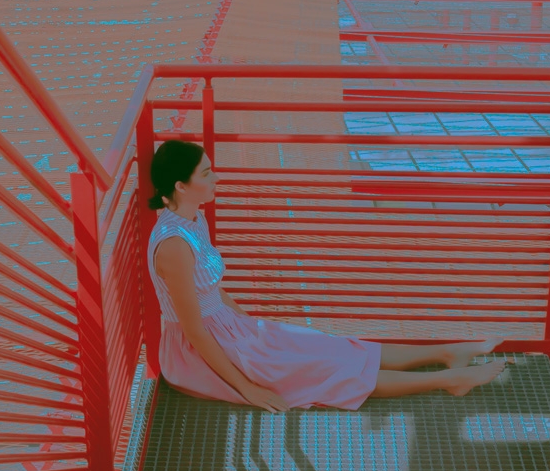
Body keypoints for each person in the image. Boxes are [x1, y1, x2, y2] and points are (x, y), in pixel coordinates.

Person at [146, 139, 511, 414]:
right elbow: (194, 330)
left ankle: (446, 352)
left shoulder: (194, 218)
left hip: (229, 328)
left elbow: (211, 288)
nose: (216, 177)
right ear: (181, 186)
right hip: (198, 351)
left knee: (329, 346)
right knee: (325, 368)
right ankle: (450, 379)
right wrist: (248, 388)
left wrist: (250, 325)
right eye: (206, 173)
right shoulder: (174, 246)